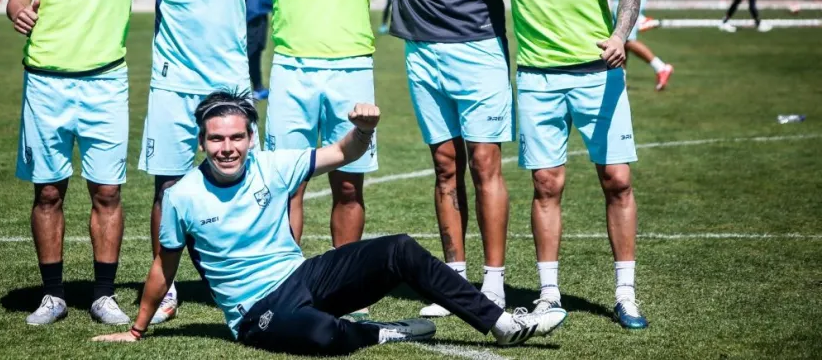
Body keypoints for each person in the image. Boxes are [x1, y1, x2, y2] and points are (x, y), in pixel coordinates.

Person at [265, 0, 578, 317]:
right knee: (444, 166)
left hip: (479, 43)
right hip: (421, 48)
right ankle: (453, 278)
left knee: (484, 165)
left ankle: (493, 284)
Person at [91, 91, 568, 353]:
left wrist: (363, 129)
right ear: (202, 142)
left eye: (237, 137)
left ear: (251, 139)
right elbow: (163, 267)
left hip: (303, 276)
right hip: (255, 313)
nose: (228, 147)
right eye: (216, 139)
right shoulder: (181, 197)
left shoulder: (270, 165)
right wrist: (137, 330)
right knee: (320, 335)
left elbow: (342, 152)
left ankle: (500, 323)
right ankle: (381, 332)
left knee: (398, 248)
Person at [483, 0, 648, 329]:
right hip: (536, 79)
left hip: (597, 75)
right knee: (545, 184)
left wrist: (620, 36)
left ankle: (625, 294)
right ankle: (549, 294)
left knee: (617, 180)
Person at [7, 0, 170, 326]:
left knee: (108, 192)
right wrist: (18, 12)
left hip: (106, 81)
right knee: (49, 191)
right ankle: (53, 295)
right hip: (48, 80)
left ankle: (102, 295)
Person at [242, 0, 386, 310]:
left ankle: (347, 289)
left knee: (349, 183)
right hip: (291, 69)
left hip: (350, 69)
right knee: (288, 184)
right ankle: (284, 284)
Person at [129, 0, 269, 326]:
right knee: (168, 186)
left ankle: (251, 277)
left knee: (247, 183)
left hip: (230, 85)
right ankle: (163, 287)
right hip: (172, 85)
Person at [245, 0, 272, 100]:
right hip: (253, 15)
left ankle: (258, 87)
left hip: (256, 13)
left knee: (257, 50)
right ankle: (256, 87)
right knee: (252, 52)